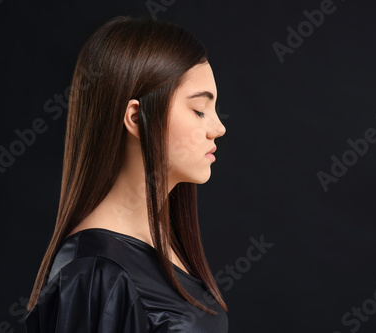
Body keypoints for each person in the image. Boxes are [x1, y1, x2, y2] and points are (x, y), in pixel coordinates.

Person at [23, 15, 228, 332]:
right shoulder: (95, 274)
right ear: (136, 117)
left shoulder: (160, 248)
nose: (218, 128)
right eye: (200, 109)